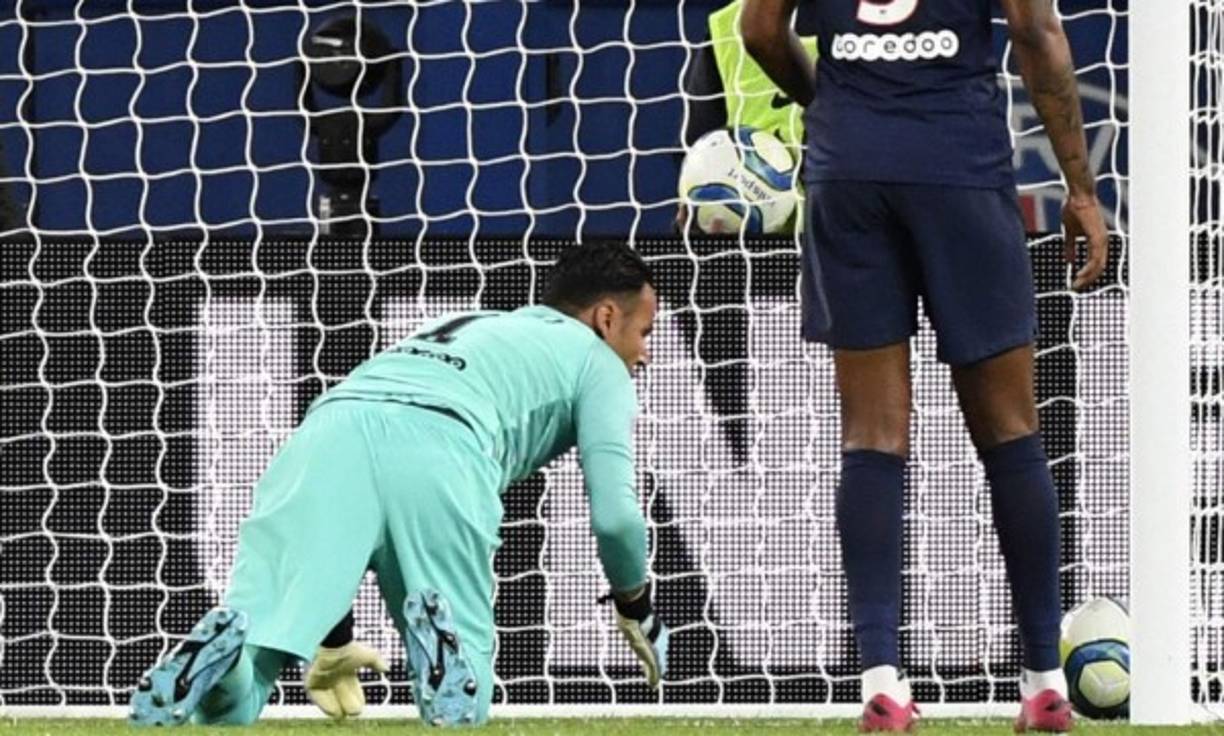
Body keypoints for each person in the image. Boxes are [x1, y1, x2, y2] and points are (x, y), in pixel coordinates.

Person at [741, 0, 1108, 732]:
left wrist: (840, 107)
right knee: (1010, 430)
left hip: (848, 174)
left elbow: (758, 29)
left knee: (871, 432)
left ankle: (882, 680)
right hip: (958, 166)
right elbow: (1037, 32)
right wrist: (1081, 187)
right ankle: (1042, 684)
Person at [129, 242, 670, 727]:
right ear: (605, 318)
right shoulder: (599, 363)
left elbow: (363, 479)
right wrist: (635, 605)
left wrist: (334, 642)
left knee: (242, 689)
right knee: (467, 700)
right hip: (443, 449)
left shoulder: (469, 321)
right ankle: (439, 651)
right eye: (644, 332)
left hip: (326, 436)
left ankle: (229, 662)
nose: (644, 353)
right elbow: (616, 516)